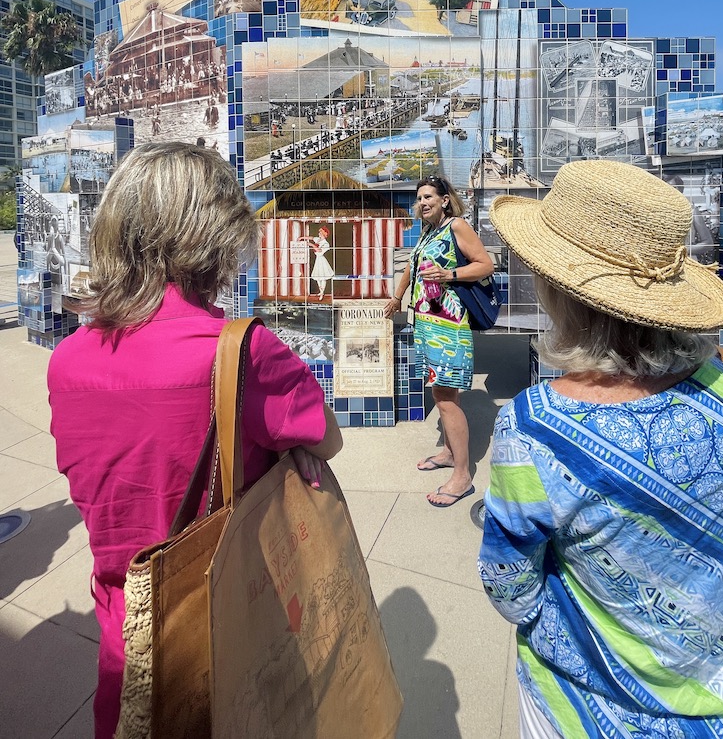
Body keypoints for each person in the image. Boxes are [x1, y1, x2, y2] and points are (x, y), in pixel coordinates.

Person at [480, 160, 723, 739]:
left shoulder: (534, 429)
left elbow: (510, 585)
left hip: (577, 705)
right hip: (721, 709)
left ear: (560, 292)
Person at [47, 142, 342, 739]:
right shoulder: (239, 352)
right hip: (230, 631)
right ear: (213, 239)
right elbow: (326, 437)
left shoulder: (67, 360)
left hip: (125, 633)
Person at [384, 175, 494, 508]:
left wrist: (450, 275)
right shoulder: (429, 232)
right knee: (439, 392)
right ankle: (448, 452)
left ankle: (462, 477)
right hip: (429, 325)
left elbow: (486, 264)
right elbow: (411, 268)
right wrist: (398, 297)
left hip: (448, 327)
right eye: (419, 198)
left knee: (446, 398)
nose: (423, 202)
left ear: (445, 200)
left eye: (429, 196)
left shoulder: (457, 226)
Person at [309, 225, 335, 300]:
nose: (319, 233)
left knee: (323, 277)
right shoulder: (318, 239)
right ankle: (321, 291)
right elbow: (311, 238)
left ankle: (322, 293)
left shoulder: (326, 244)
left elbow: (319, 250)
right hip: (318, 260)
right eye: (319, 232)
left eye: (320, 232)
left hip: (322, 261)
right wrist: (301, 238)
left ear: (324, 233)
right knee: (317, 277)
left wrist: (311, 245)